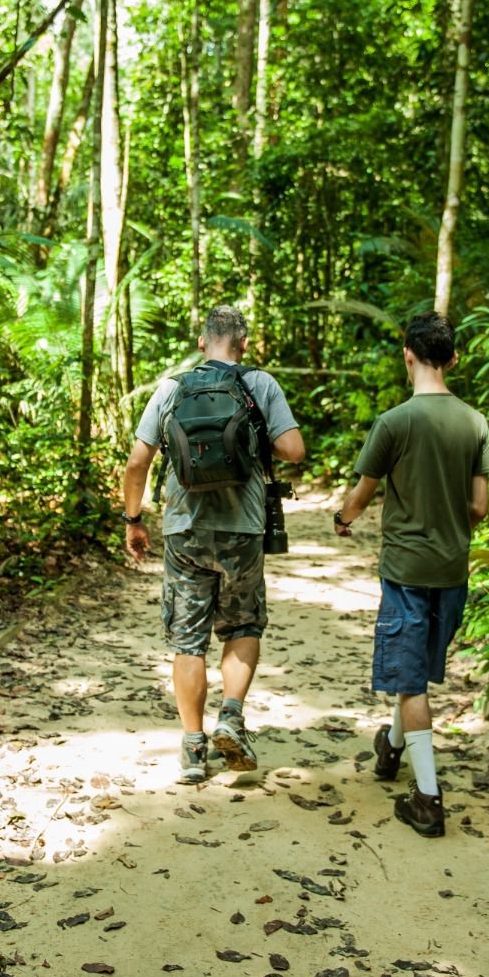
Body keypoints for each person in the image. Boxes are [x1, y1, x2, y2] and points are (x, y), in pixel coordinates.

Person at [122, 305, 305, 784]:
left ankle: (192, 748)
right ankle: (230, 716)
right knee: (243, 623)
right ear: (242, 344)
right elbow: (294, 451)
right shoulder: (258, 384)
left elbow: (137, 462)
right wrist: (259, 434)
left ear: (203, 343)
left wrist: (134, 519)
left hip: (185, 529)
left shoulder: (171, 388)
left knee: (188, 639)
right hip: (242, 529)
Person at [333, 311, 489, 836]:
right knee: (416, 672)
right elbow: (480, 507)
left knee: (408, 680)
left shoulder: (394, 422)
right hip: (452, 568)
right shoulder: (474, 422)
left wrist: (342, 519)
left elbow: (361, 494)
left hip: (404, 568)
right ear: (454, 358)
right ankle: (391, 747)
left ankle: (427, 798)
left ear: (408, 355)